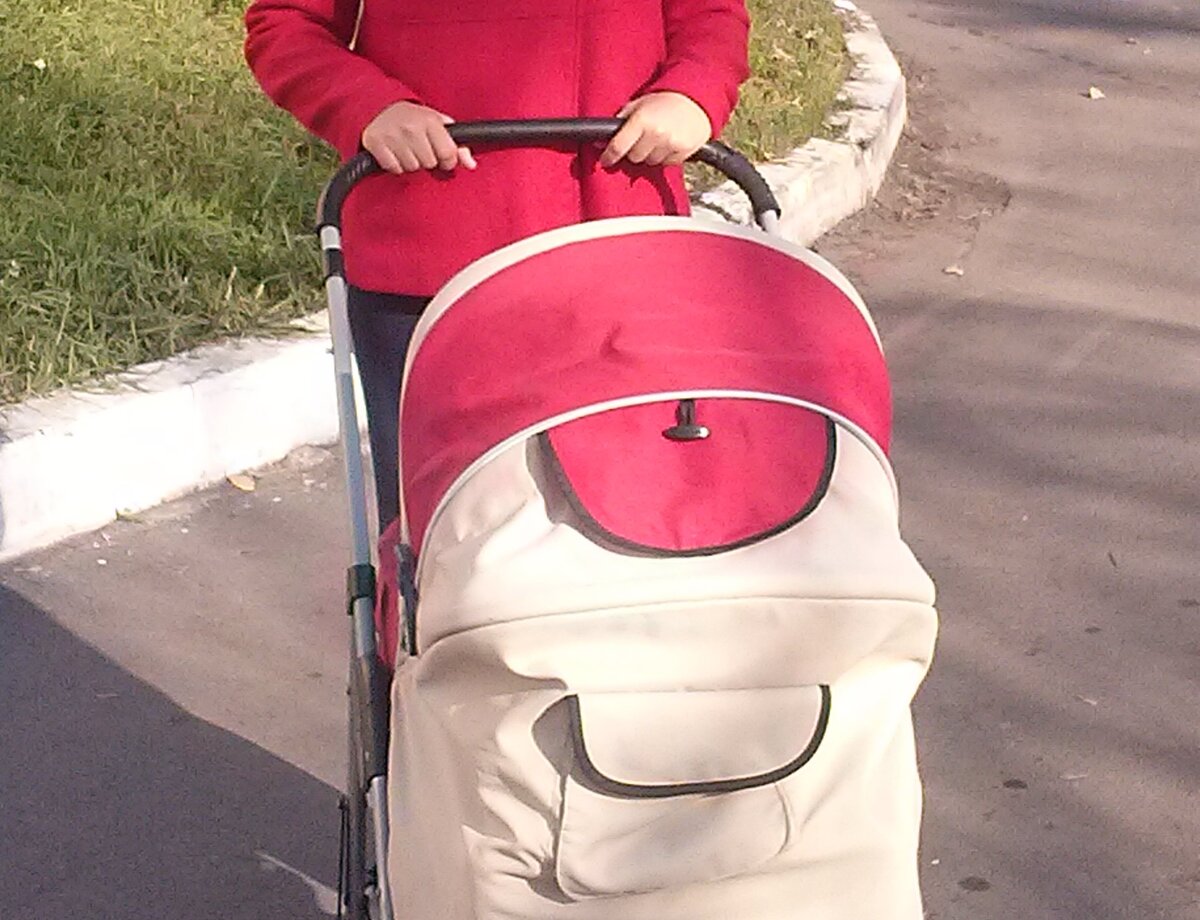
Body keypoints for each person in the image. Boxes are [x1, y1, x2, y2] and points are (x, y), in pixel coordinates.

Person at [244, 0, 750, 526]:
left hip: (618, 239)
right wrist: (368, 107)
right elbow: (287, 22)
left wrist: (693, 92)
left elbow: (711, 15)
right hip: (427, 258)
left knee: (639, 507)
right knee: (441, 518)